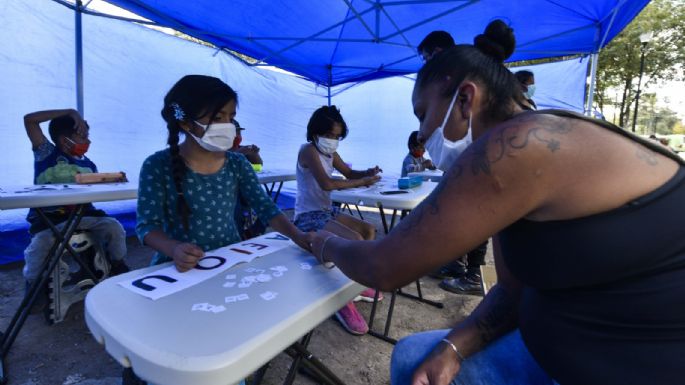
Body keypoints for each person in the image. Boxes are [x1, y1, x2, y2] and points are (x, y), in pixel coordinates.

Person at [311, 19, 685, 385]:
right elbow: (512, 288)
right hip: (559, 344)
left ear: (465, 99)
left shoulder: (515, 148)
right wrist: (454, 347)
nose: (423, 132)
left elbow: (385, 267)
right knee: (415, 358)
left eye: (423, 114)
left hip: (624, 364)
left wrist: (324, 242)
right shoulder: (534, 138)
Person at [136, 74, 311, 270]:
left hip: (230, 259)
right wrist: (174, 248)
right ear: (185, 123)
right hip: (176, 269)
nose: (229, 126)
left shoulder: (237, 163)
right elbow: (147, 226)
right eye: (218, 118)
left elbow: (265, 208)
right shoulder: (157, 165)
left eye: (231, 117)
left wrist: (298, 236)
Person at [294, 105, 382, 335]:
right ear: (315, 133)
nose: (333, 140)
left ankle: (355, 286)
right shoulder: (308, 151)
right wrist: (362, 183)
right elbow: (327, 183)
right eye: (329, 135)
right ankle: (342, 301)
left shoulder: (331, 154)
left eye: (337, 136)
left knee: (368, 230)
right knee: (352, 239)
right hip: (306, 217)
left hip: (324, 212)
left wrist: (367, 173)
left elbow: (350, 174)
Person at [22, 109, 128, 297]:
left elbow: (94, 192)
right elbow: (30, 121)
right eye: (83, 137)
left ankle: (116, 264)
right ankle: (33, 282)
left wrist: (112, 181)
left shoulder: (89, 165)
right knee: (40, 244)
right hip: (51, 220)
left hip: (84, 215)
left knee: (114, 228)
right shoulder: (46, 153)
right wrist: (71, 112)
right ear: (64, 140)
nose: (88, 142)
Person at [418, 30, 488, 295]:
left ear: (438, 52)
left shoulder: (464, 80)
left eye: (427, 57)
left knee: (478, 217)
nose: (425, 63)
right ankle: (456, 265)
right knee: (459, 215)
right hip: (463, 160)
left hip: (476, 157)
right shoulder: (451, 80)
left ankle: (473, 275)